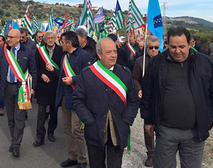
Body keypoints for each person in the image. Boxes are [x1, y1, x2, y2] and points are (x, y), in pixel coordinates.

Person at [142, 26, 213, 168]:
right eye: (173, 47)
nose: (177, 51)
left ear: (190, 43)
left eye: (182, 46)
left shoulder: (205, 63)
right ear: (167, 45)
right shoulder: (157, 63)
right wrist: (148, 120)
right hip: (165, 131)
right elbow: (148, 93)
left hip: (195, 132)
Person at [72, 38, 139, 168]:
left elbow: (133, 100)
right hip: (95, 129)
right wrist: (89, 120)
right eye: (109, 52)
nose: (113, 55)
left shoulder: (124, 73)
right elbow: (77, 100)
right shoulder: (87, 74)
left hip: (118, 129)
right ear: (99, 54)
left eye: (115, 51)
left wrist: (126, 120)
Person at [0, 29, 37, 158]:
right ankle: (14, 139)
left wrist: (33, 88)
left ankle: (16, 144)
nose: (7, 39)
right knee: (10, 118)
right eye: (7, 37)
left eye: (10, 37)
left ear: (18, 38)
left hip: (22, 89)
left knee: (19, 117)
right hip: (7, 88)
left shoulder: (28, 51)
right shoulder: (3, 51)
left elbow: (33, 70)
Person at [56, 31, 94, 168]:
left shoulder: (85, 56)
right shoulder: (64, 57)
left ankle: (82, 160)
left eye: (62, 42)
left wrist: (74, 79)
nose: (61, 44)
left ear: (69, 43)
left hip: (79, 98)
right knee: (67, 128)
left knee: (77, 130)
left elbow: (90, 75)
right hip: (66, 96)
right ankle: (73, 156)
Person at [132, 35, 160, 167]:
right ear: (146, 47)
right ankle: (151, 153)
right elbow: (135, 78)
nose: (154, 50)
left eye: (156, 47)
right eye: (151, 47)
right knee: (148, 127)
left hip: (162, 99)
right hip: (147, 99)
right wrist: (139, 88)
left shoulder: (165, 60)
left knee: (162, 127)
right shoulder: (140, 61)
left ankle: (162, 152)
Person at [33, 31, 64, 147]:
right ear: (45, 40)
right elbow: (35, 67)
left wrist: (53, 72)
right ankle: (40, 137)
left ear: (55, 39)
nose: (50, 40)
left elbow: (63, 69)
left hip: (55, 86)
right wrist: (41, 75)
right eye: (48, 38)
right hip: (42, 86)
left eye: (52, 38)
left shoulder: (61, 51)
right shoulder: (39, 51)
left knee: (53, 112)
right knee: (41, 114)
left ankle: (51, 132)